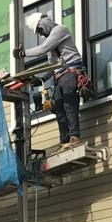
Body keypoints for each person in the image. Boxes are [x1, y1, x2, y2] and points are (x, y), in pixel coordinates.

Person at [22, 15, 84, 146]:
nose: (41, 34)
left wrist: (23, 53)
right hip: (60, 76)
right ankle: (65, 141)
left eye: (40, 30)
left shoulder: (60, 30)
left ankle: (74, 137)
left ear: (44, 23)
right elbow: (52, 67)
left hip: (70, 72)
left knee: (69, 105)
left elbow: (42, 48)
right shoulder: (51, 44)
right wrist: (40, 78)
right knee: (58, 108)